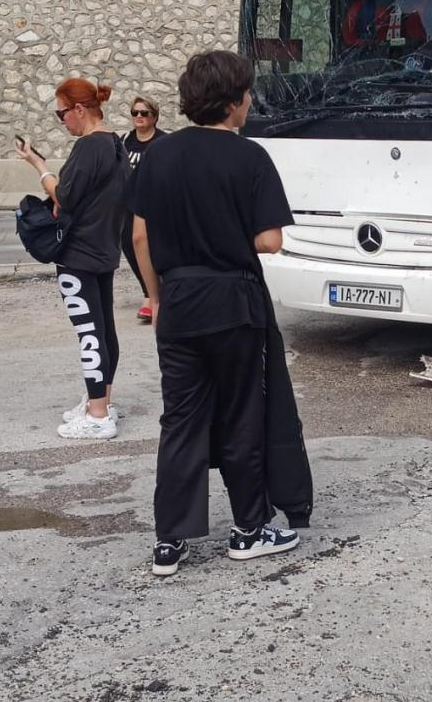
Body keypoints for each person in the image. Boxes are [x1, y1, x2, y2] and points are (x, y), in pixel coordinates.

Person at [132, 51, 302, 576]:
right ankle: (249, 530)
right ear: (234, 102)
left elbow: (139, 235)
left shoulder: (157, 155)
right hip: (233, 305)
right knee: (241, 415)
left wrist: (157, 298)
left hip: (178, 303)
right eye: (248, 94)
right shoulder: (249, 157)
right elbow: (268, 241)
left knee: (179, 419)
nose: (250, 102)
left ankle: (170, 541)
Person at [15, 78, 127, 439]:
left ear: (80, 110)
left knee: (89, 333)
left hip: (78, 253)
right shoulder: (116, 144)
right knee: (103, 330)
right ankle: (102, 402)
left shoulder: (88, 147)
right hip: (105, 248)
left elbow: (64, 196)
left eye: (61, 112)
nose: (62, 120)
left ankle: (97, 416)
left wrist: (38, 165)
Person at [122, 95, 167, 323]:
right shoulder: (125, 141)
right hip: (130, 205)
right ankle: (149, 293)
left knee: (155, 248)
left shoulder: (162, 143)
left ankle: (154, 297)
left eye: (144, 113)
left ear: (154, 117)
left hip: (156, 205)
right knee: (130, 247)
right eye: (135, 113)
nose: (139, 117)